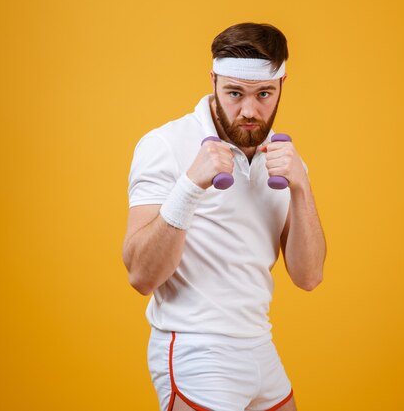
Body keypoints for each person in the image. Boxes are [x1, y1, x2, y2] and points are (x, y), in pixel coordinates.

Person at [122, 22, 326, 411]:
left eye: (264, 94)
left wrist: (302, 187)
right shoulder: (165, 145)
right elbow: (140, 276)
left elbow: (309, 277)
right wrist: (189, 186)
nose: (249, 110)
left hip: (259, 344)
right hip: (197, 348)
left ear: (283, 85)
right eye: (235, 93)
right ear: (213, 80)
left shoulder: (284, 159)